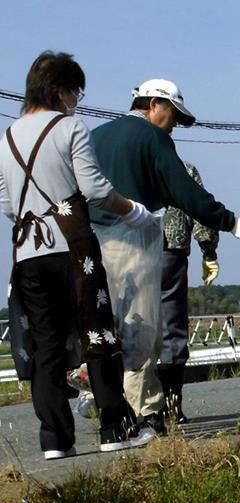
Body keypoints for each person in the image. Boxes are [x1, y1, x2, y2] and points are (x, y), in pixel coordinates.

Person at [0, 51, 156, 458]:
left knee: (46, 345)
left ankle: (55, 439)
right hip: (73, 249)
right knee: (97, 332)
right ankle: (113, 429)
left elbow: (6, 204)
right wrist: (134, 212)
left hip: (27, 254)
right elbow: (96, 189)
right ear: (60, 90)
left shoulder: (8, 137)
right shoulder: (70, 128)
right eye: (75, 92)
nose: (77, 101)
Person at [90, 78, 240, 435]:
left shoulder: (96, 136)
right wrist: (233, 224)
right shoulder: (153, 139)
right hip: (132, 243)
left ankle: (106, 404)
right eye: (174, 115)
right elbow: (186, 193)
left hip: (89, 246)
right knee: (142, 329)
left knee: (106, 329)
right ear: (154, 105)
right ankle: (144, 414)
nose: (175, 125)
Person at [157, 160, 220, 424]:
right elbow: (199, 207)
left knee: (132, 325)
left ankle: (138, 407)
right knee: (172, 327)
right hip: (170, 250)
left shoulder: (122, 158)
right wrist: (209, 250)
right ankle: (171, 406)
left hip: (125, 249)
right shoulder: (182, 166)